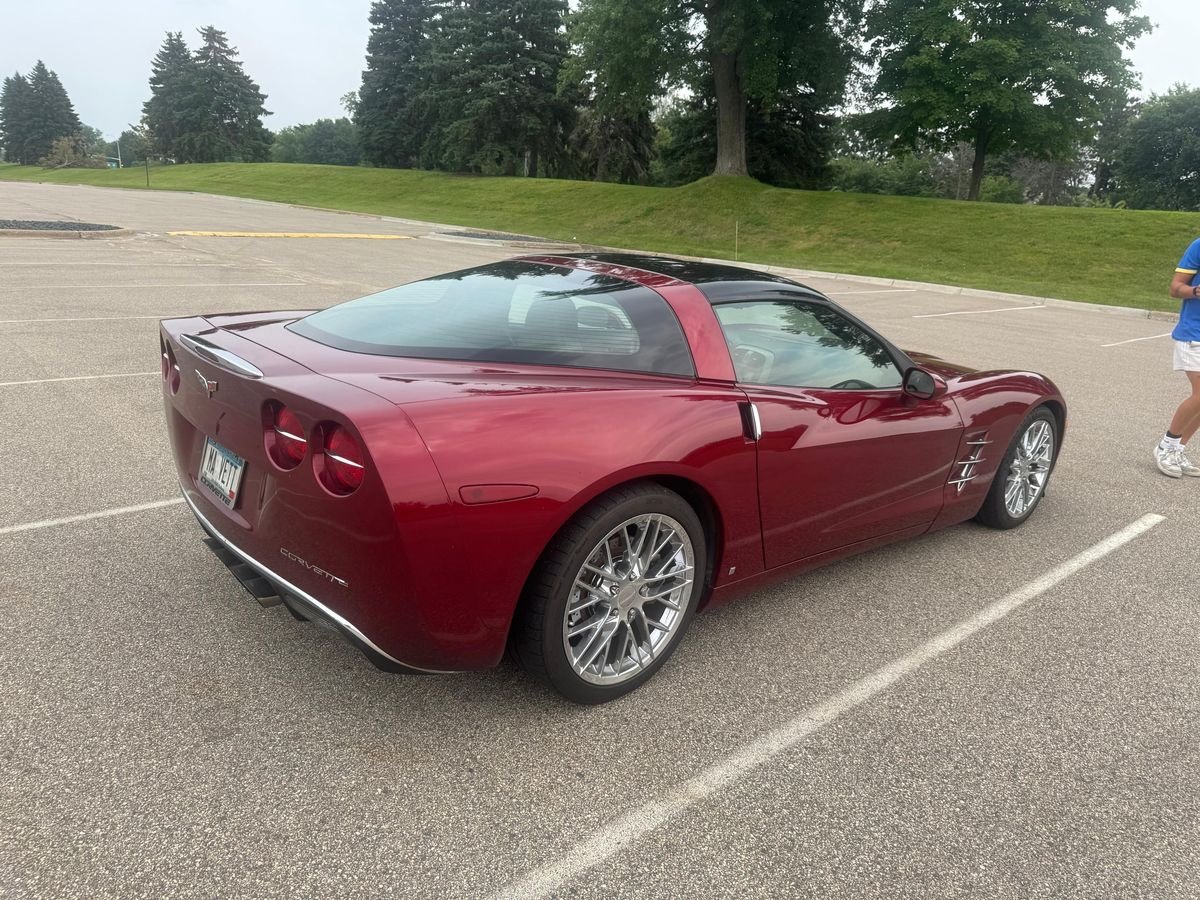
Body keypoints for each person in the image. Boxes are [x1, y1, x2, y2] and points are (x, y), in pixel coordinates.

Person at [1155, 237, 1200, 477]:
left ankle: (1178, 449)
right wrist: (1195, 291)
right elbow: (1175, 288)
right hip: (1194, 333)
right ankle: (1165, 446)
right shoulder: (1199, 246)